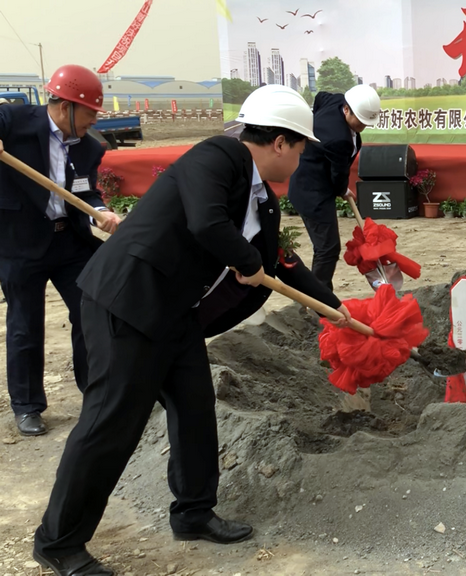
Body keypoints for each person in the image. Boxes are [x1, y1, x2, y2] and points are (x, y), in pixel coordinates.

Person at [32, 85, 351, 576]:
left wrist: (335, 309)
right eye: (302, 147)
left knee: (195, 407)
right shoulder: (218, 156)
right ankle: (59, 542)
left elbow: (281, 262)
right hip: (127, 300)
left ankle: (193, 512)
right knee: (111, 422)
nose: (302, 158)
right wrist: (245, 261)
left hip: (174, 311)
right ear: (280, 143)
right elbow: (207, 222)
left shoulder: (263, 200)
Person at [0, 64, 121, 436]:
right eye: (90, 112)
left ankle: (95, 393)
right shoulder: (15, 121)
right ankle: (27, 406)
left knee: (91, 312)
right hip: (19, 243)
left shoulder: (88, 146)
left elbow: (86, 191)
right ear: (66, 105)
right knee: (25, 324)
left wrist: (100, 210)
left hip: (69, 241)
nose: (94, 120)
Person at [288, 84, 381, 290]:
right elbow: (338, 174)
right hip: (311, 192)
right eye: (361, 121)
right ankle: (319, 299)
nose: (363, 126)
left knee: (325, 247)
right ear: (346, 109)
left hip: (314, 179)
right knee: (327, 248)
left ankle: (317, 294)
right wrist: (342, 189)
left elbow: (320, 97)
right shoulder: (339, 139)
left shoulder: (336, 100)